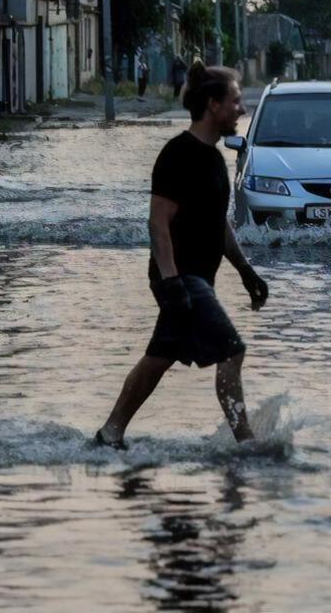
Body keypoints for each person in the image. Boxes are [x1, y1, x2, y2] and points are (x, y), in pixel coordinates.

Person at [95, 61, 270, 449]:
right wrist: (172, 283)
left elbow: (218, 223)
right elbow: (158, 224)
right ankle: (247, 444)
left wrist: (245, 271)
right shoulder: (178, 154)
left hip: (195, 279)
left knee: (161, 355)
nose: (241, 109)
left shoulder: (213, 159)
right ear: (213, 105)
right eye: (236, 101)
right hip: (181, 277)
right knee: (232, 349)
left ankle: (110, 433)